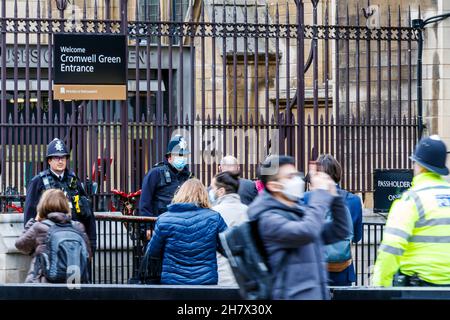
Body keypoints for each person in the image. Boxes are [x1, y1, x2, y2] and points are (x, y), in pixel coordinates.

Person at [247, 155, 351, 299]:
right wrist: (319, 194)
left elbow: (339, 231)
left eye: (296, 175)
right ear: (274, 186)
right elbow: (307, 231)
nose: (297, 180)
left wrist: (334, 198)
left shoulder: (298, 212)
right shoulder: (267, 219)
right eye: (290, 177)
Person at [373, 135, 450, 287]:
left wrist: (380, 286)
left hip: (420, 289)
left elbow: (392, 246)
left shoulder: (411, 200)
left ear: (419, 165)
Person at [147, 178, 227, 285]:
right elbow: (228, 248)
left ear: (180, 193)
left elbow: (152, 252)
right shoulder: (214, 218)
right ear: (204, 195)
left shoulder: (164, 219)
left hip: (173, 282)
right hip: (205, 282)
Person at [23, 138, 96, 253]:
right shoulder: (38, 182)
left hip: (73, 241)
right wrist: (32, 248)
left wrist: (91, 245)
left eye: (63, 158)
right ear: (49, 161)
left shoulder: (74, 181)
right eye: (56, 158)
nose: (60, 161)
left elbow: (87, 214)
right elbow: (30, 214)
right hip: (49, 243)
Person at [304, 154, 363, 286]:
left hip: (313, 271)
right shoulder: (353, 200)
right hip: (342, 270)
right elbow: (357, 237)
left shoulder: (306, 198)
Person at [15, 189, 92, 283]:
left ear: (43, 204)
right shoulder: (78, 226)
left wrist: (32, 223)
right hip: (74, 284)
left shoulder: (39, 227)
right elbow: (88, 255)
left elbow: (20, 245)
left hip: (44, 285)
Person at [139, 135, 193, 239]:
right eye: (179, 155)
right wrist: (147, 227)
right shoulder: (155, 173)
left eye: (184, 155)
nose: (182, 158)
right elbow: (145, 202)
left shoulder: (189, 177)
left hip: (182, 229)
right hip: (160, 227)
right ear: (169, 157)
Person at [210, 171, 249, 286]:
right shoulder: (248, 211)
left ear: (221, 191)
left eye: (213, 188)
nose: (211, 192)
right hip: (245, 276)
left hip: (221, 276)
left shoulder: (213, 213)